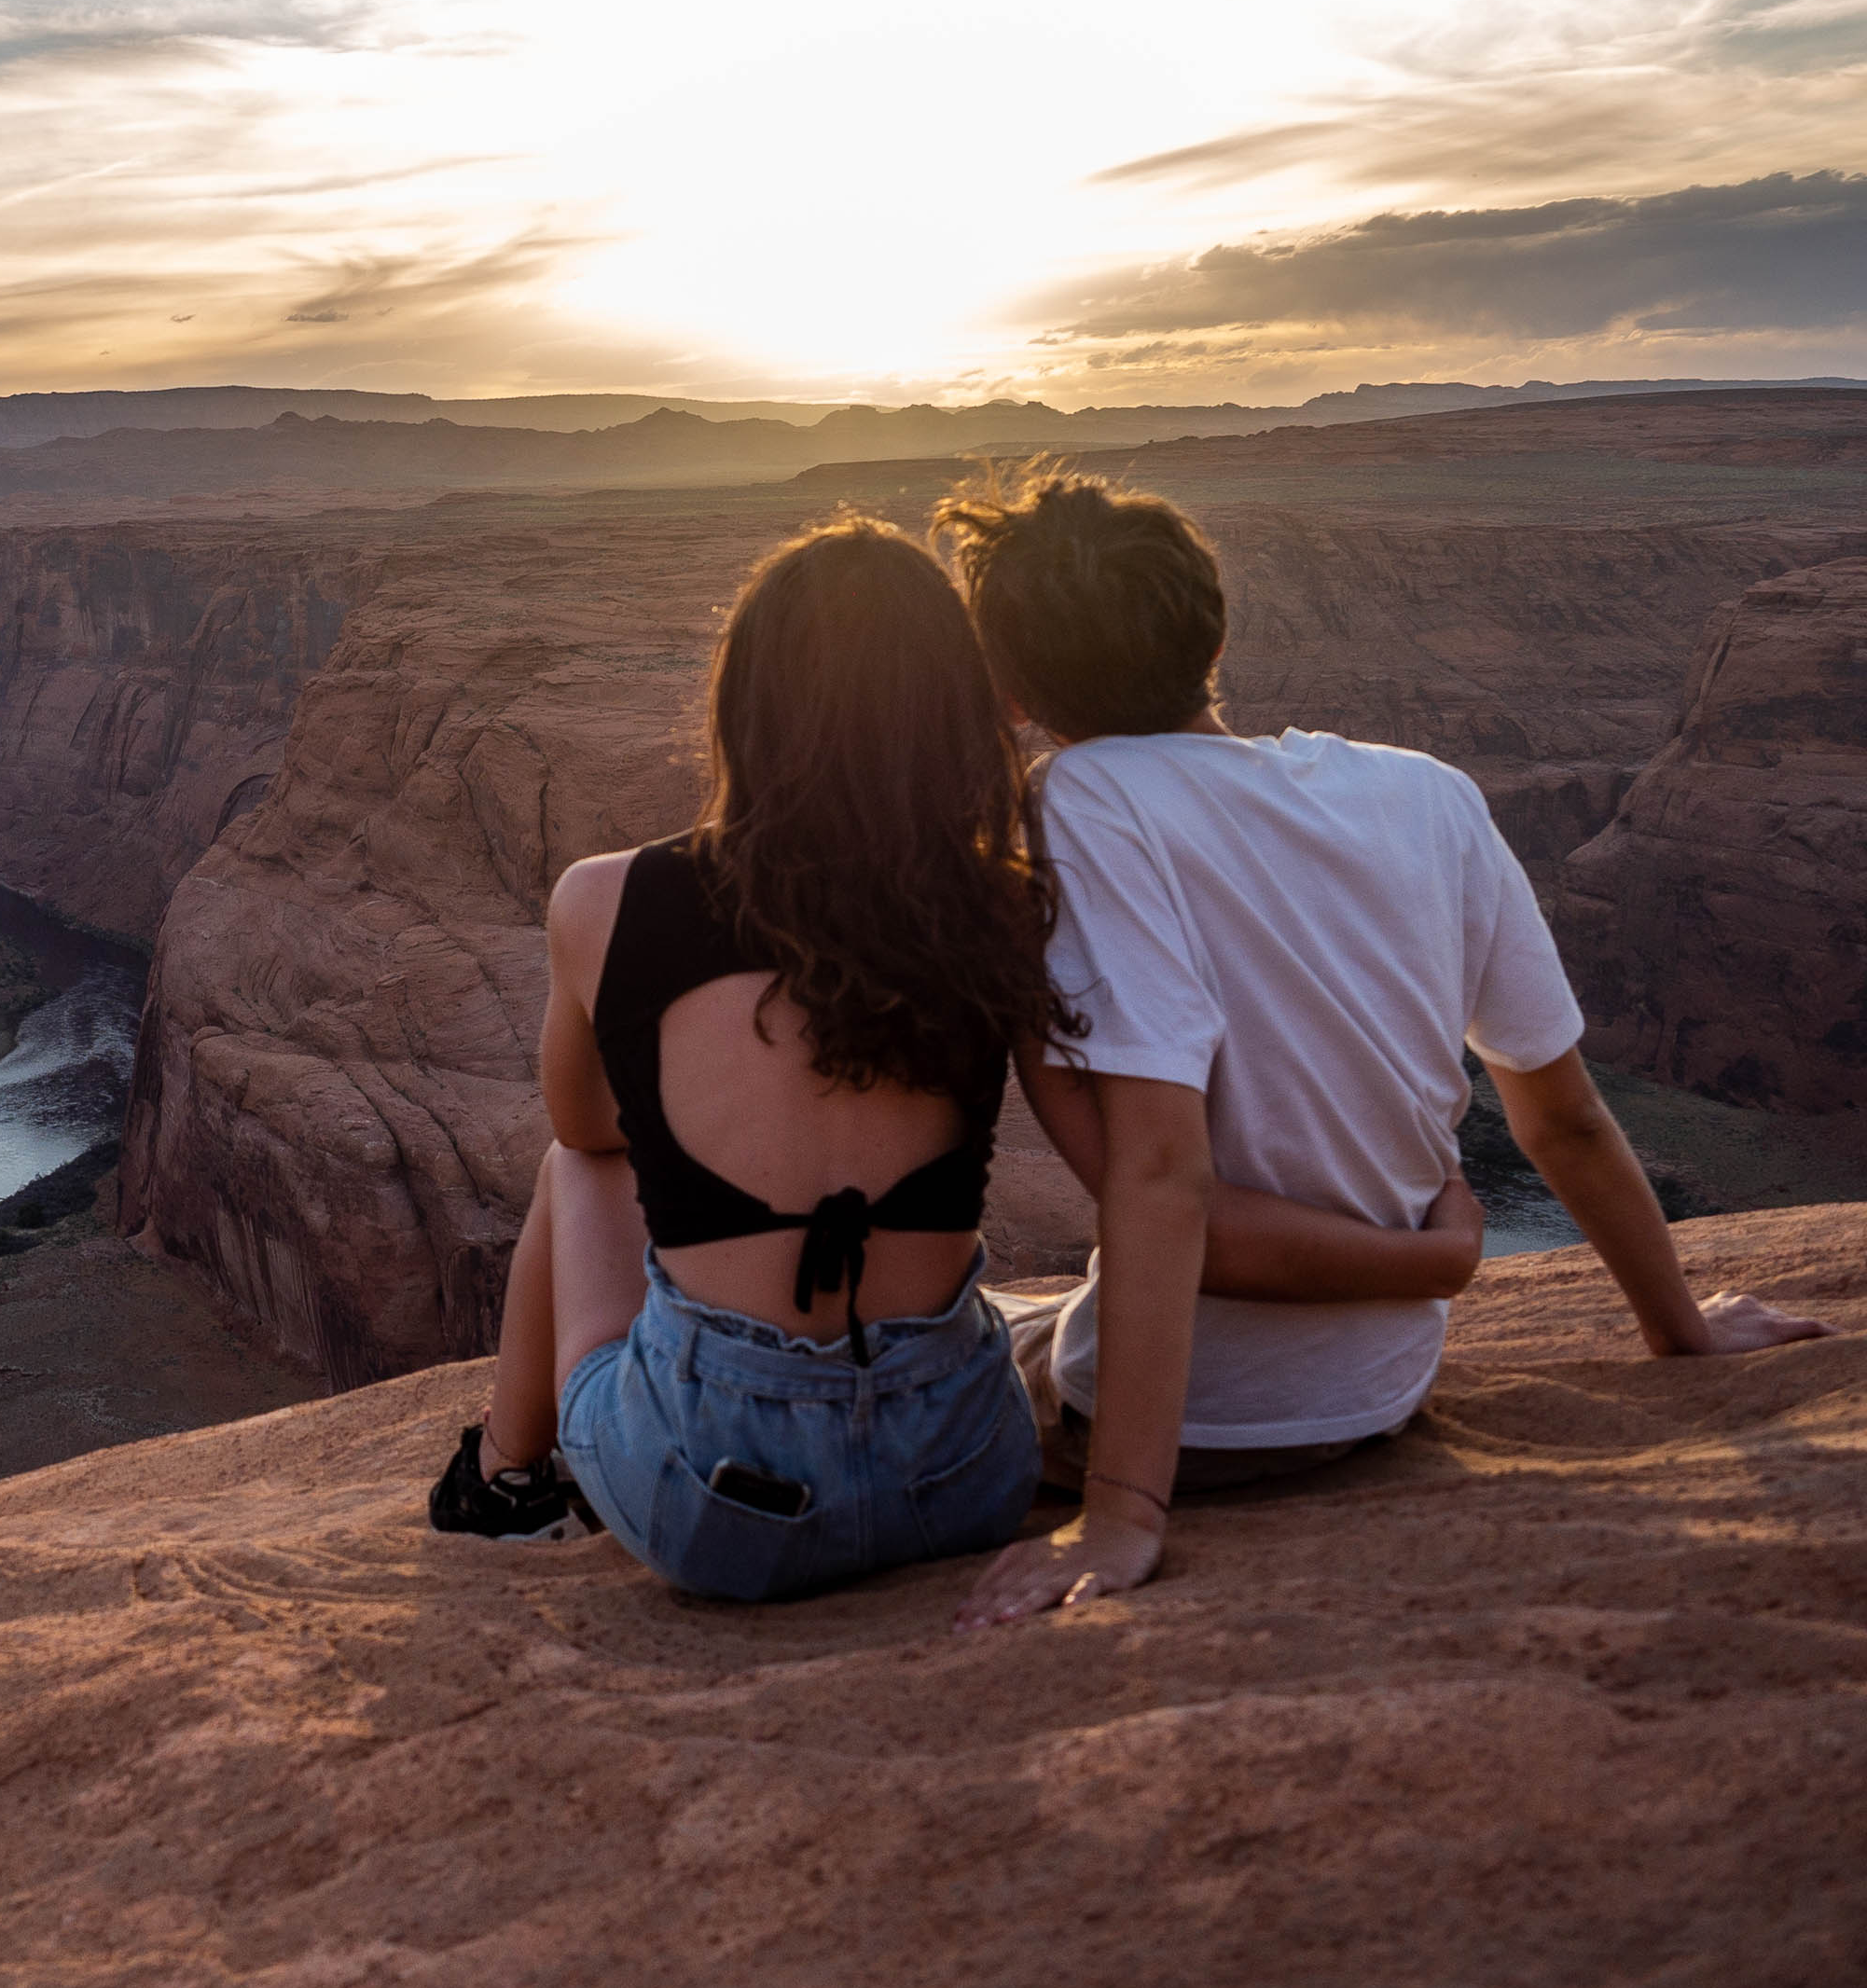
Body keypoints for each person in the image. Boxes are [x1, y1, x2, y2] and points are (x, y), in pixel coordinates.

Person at [430, 518, 1480, 1600]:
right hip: (965, 1473)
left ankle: (507, 1482)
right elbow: (1140, 1175)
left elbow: (584, 1126)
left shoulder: (605, 901)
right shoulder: (1003, 902)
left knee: (578, 1173)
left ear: (742, 703)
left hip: (718, 1500)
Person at [934, 467, 1831, 1630]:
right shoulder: (1431, 795)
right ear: (1210, 624)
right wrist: (1681, 1330)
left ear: (1008, 684)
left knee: (943, 1342)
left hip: (1185, 1428)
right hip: (1374, 1394)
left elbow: (1159, 1176)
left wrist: (1120, 1516)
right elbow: (1557, 1115)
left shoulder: (1087, 797)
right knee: (1019, 1309)